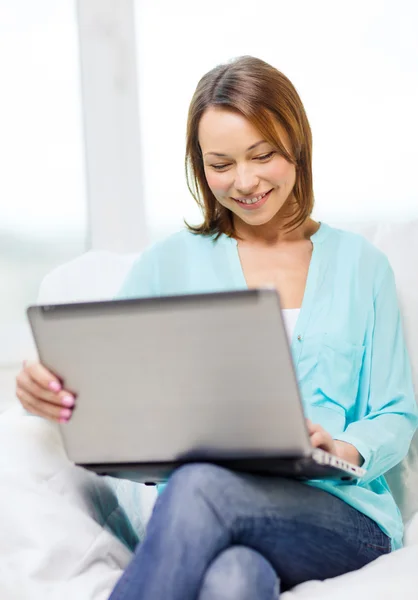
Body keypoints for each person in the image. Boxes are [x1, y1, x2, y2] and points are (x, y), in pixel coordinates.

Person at [16, 56, 418, 600]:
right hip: (205, 513)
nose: (245, 181)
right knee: (233, 579)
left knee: (199, 486)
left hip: (339, 516)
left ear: (295, 146)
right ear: (198, 166)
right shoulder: (167, 265)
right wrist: (50, 387)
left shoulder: (362, 265)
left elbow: (395, 411)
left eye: (262, 155)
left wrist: (341, 446)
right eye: (220, 163)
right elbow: (115, 384)